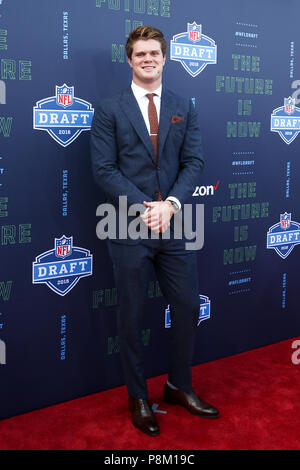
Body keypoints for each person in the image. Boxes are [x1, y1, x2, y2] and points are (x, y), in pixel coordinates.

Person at [90, 25, 219, 436]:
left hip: (176, 223)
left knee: (187, 306)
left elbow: (194, 162)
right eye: (140, 53)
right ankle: (138, 396)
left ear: (165, 58)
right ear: (129, 59)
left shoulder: (184, 105)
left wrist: (170, 206)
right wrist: (145, 208)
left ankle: (179, 385)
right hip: (127, 223)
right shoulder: (109, 108)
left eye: (155, 53)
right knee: (131, 316)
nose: (148, 59)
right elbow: (104, 169)